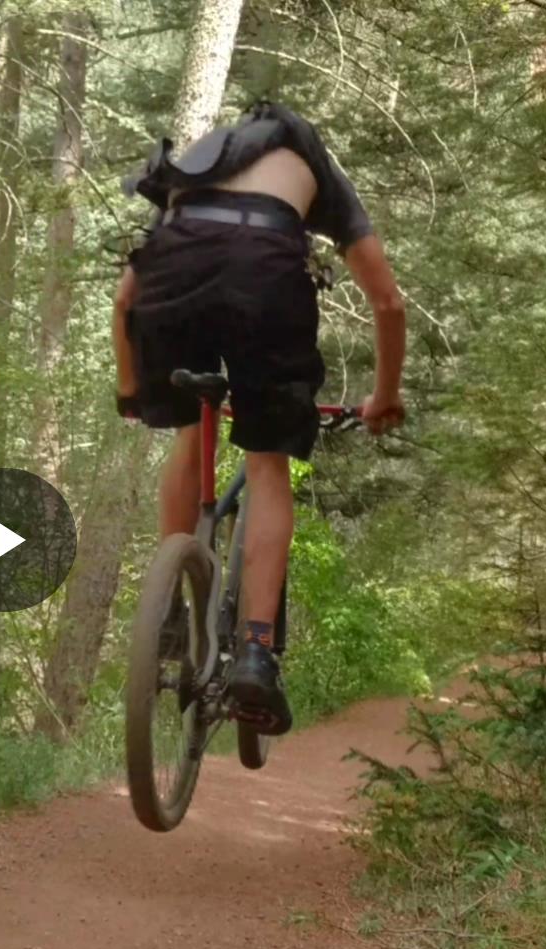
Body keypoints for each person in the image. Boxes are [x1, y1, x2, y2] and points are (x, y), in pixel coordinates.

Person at [112, 100, 406, 734]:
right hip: (264, 274)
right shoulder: (314, 166)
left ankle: (167, 611)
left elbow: (125, 296)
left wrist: (131, 386)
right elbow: (385, 302)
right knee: (268, 466)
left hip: (173, 270)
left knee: (192, 433)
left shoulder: (197, 168)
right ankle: (256, 652)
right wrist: (383, 397)